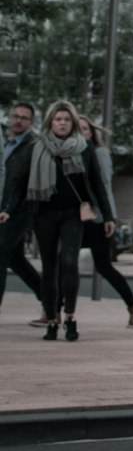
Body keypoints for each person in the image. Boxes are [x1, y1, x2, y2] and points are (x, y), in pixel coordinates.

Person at [0, 99, 116, 341]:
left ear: (71, 123)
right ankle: (52, 320)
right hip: (44, 215)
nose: (62, 123)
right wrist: (8, 209)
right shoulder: (38, 147)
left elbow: (97, 184)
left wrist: (108, 216)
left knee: (69, 262)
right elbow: (20, 182)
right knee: (50, 268)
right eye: (58, 119)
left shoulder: (83, 148)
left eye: (66, 120)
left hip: (73, 214)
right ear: (50, 122)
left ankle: (71, 317)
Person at [76, 117, 133, 326]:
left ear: (92, 133)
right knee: (66, 262)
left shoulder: (99, 153)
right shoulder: (71, 154)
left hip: (97, 218)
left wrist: (109, 217)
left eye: (85, 129)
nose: (82, 132)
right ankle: (55, 311)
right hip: (76, 216)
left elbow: (104, 186)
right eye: (77, 129)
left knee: (103, 265)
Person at [0, 102, 45, 312]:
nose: (18, 120)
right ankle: (51, 301)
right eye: (15, 116)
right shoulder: (6, 143)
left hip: (20, 209)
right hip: (4, 208)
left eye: (24, 117)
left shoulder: (33, 145)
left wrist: (10, 207)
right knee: (16, 260)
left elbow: (23, 181)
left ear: (31, 122)